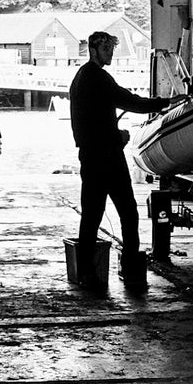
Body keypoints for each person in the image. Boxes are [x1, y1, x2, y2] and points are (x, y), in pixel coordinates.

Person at [68, 31, 172, 288]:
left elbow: (90, 121)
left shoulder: (80, 78)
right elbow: (130, 101)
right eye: (106, 49)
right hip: (107, 158)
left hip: (90, 157)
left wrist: (116, 135)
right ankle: (131, 269)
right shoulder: (98, 77)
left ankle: (86, 273)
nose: (111, 54)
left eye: (112, 49)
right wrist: (165, 103)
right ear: (93, 49)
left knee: (91, 216)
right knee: (127, 212)